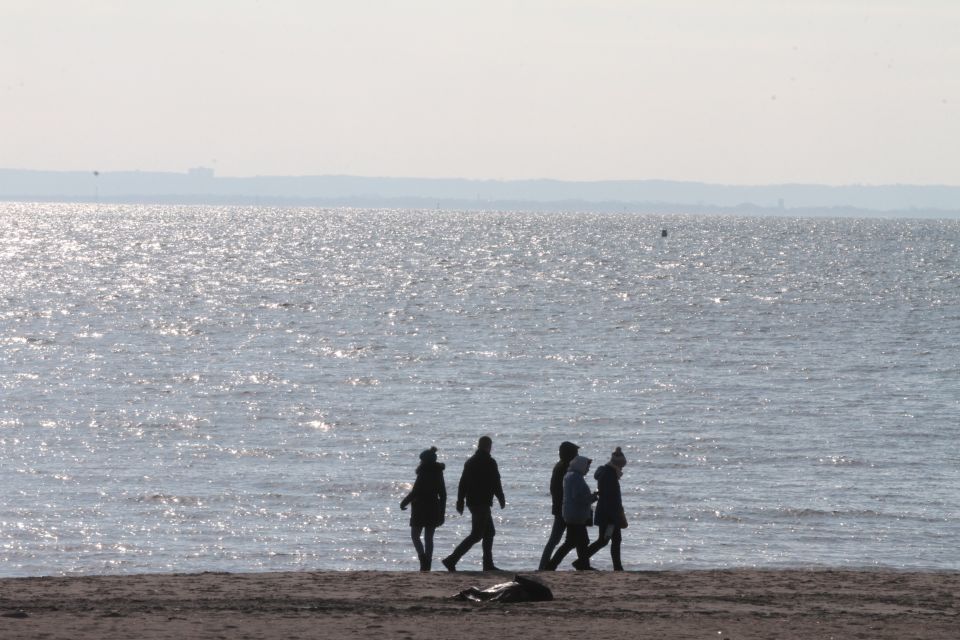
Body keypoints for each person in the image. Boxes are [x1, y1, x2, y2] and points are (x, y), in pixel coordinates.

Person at [441, 436, 506, 572]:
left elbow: (462, 483)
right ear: (488, 446)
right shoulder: (490, 461)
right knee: (477, 534)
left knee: (489, 532)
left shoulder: (470, 462)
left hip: (473, 502)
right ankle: (451, 559)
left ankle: (487, 564)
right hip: (482, 502)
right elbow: (496, 481)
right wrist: (501, 497)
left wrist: (460, 500)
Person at [545, 455, 597, 570]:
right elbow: (578, 497)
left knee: (574, 542)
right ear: (581, 466)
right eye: (587, 467)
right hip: (576, 515)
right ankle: (581, 565)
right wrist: (592, 497)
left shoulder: (570, 475)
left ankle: (582, 565)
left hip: (572, 514)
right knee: (579, 541)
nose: (588, 469)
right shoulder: (575, 477)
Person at [400, 446, 447, 571]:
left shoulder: (423, 471)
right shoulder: (438, 472)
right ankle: (428, 563)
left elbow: (415, 491)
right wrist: (442, 513)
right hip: (433, 507)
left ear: (424, 461)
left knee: (415, 535)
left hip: (420, 507)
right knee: (429, 538)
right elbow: (443, 494)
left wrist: (404, 502)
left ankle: (423, 559)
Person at [538, 441, 580, 570]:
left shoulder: (559, 467)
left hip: (560, 508)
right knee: (572, 539)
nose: (577, 456)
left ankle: (544, 565)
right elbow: (565, 490)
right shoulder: (566, 469)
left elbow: (553, 489)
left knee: (568, 539)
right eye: (575, 454)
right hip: (566, 510)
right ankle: (546, 566)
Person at [584, 447, 628, 570]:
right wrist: (615, 517)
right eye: (621, 466)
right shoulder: (610, 476)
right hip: (609, 514)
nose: (622, 469)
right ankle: (617, 567)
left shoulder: (604, 472)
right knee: (609, 540)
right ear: (617, 465)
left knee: (604, 540)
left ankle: (582, 560)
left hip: (604, 512)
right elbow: (611, 498)